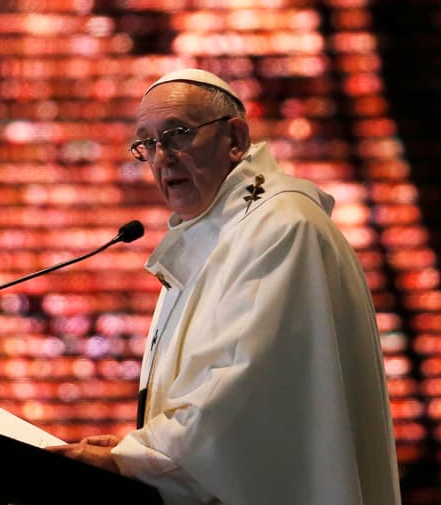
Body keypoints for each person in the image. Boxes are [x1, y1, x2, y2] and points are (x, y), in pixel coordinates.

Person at [48, 68, 402, 505]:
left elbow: (244, 394)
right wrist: (134, 450)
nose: (162, 158)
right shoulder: (210, 238)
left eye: (177, 134)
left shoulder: (282, 228)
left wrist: (138, 457)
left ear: (234, 139)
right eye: (148, 144)